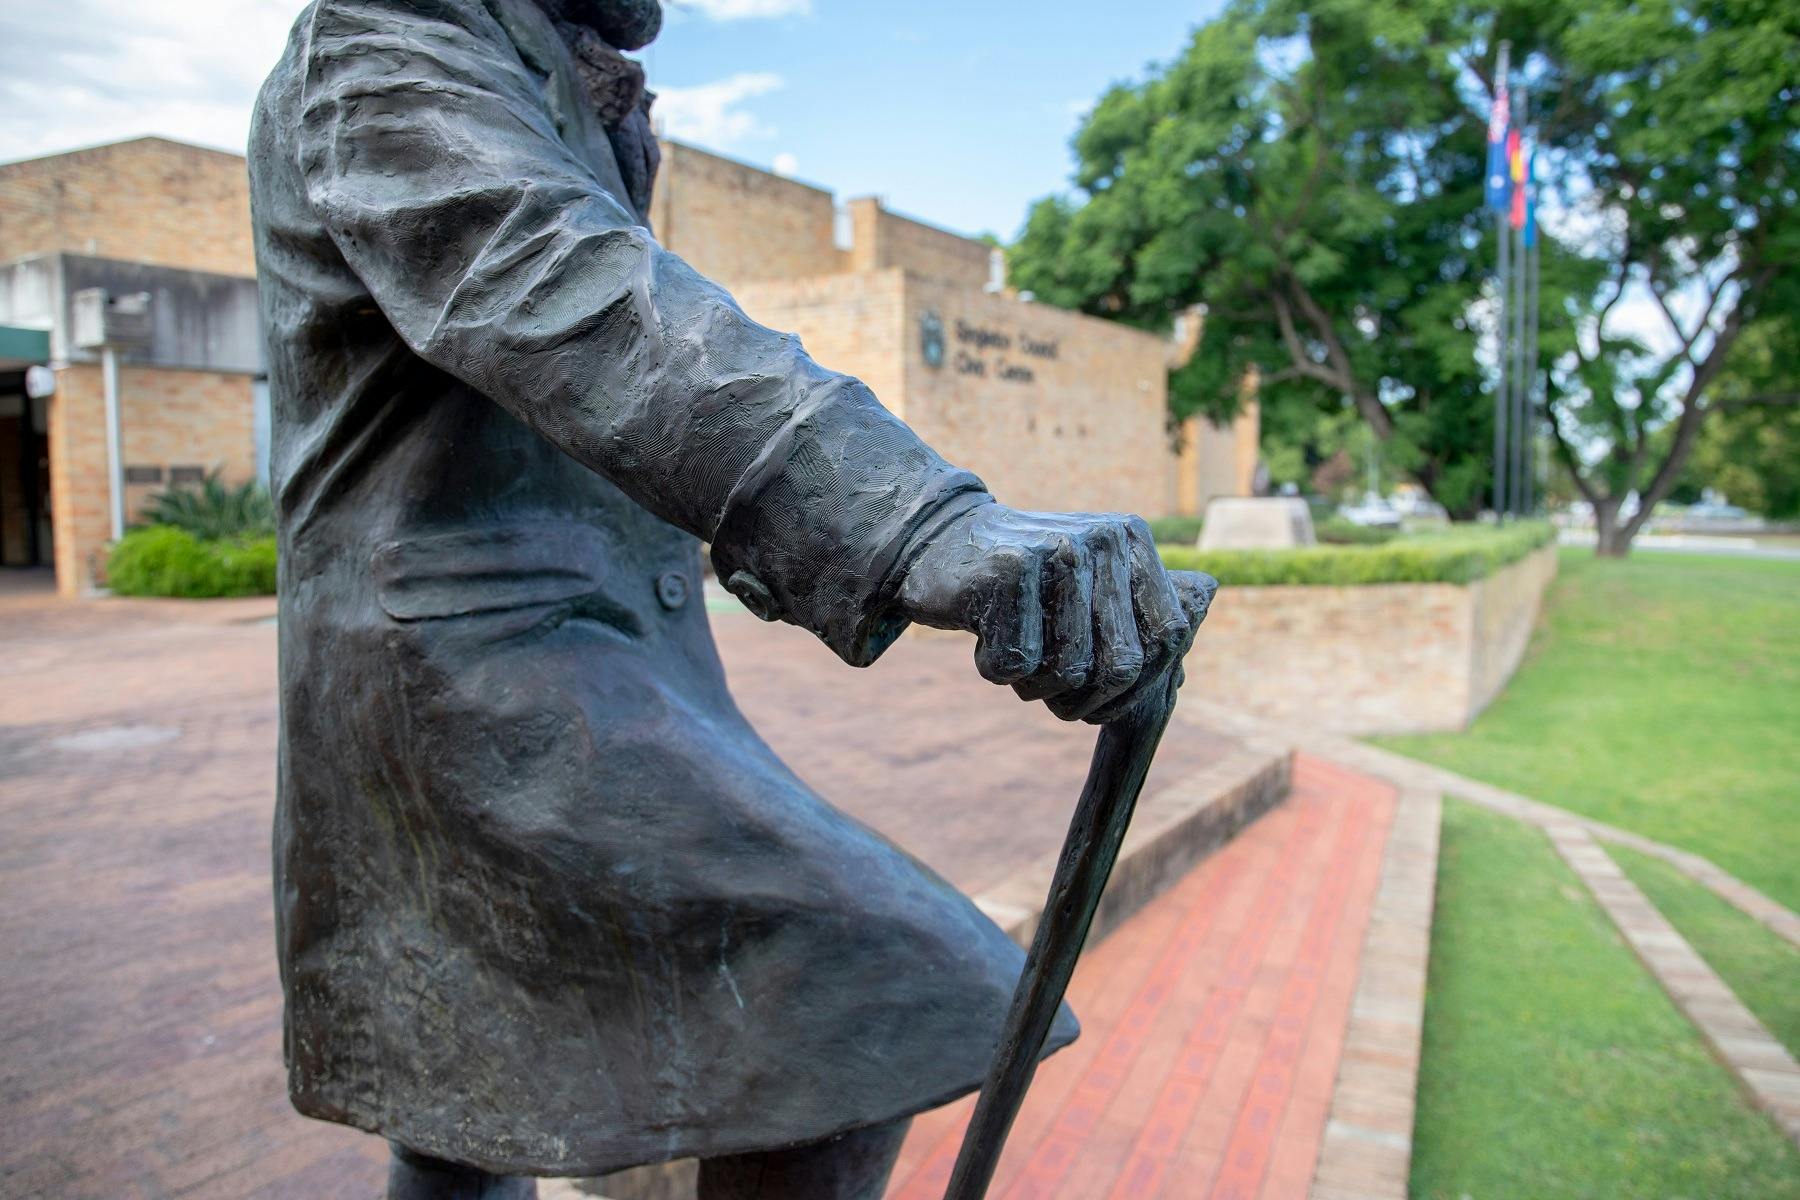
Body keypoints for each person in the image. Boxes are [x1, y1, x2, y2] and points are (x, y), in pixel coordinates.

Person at [248, 1, 1214, 1196]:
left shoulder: (539, 64)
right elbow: (562, 290)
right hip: (468, 677)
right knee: (870, 982)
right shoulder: (383, 38)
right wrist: (915, 515)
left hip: (584, 662)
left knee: (472, 1101)